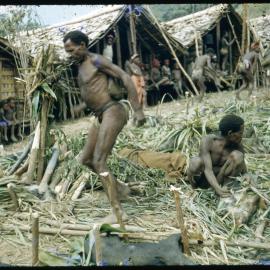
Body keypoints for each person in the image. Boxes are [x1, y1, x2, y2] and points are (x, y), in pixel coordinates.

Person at [63, 30, 146, 224]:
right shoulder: (81, 66)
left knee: (99, 160)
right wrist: (82, 106)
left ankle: (117, 212)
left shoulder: (96, 60)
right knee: (86, 159)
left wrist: (138, 110)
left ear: (82, 45)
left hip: (113, 110)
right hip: (99, 115)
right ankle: (120, 189)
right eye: (67, 51)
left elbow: (125, 77)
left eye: (71, 49)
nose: (70, 54)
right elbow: (95, 89)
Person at [187, 114, 247, 198]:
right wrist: (217, 188)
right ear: (230, 133)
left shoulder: (237, 146)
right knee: (195, 162)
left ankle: (225, 189)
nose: (242, 136)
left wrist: (247, 176)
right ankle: (193, 189)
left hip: (221, 180)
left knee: (238, 156)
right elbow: (208, 170)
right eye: (240, 133)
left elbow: (243, 170)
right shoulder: (209, 141)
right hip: (204, 180)